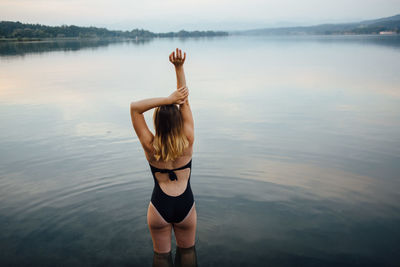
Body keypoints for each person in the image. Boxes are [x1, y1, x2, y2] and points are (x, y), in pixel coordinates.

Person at [130, 48, 197, 267]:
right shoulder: (187, 141)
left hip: (159, 208)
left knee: (161, 257)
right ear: (178, 123)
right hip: (185, 206)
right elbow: (184, 102)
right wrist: (179, 68)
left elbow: (135, 109)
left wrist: (166, 100)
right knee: (187, 253)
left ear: (157, 123)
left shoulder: (150, 146)